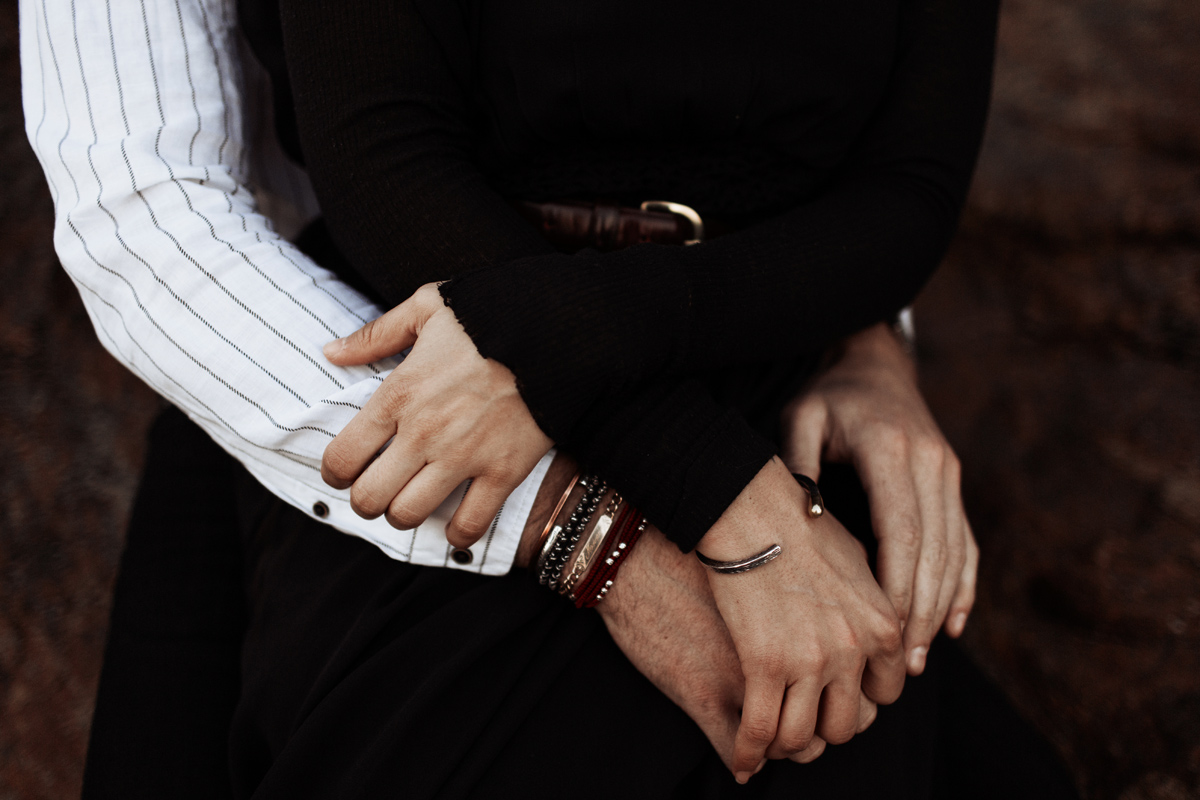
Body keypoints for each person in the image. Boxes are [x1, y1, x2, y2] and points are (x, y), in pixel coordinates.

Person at [18, 0, 1080, 797]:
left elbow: (895, 172)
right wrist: (632, 520)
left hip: (737, 361)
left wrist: (866, 347)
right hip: (389, 372)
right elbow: (152, 212)